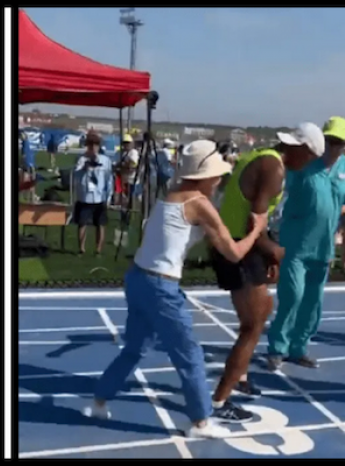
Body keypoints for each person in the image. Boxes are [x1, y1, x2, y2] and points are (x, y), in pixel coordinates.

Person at [84, 140, 267, 438]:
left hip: (137, 278)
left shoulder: (170, 194)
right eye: (216, 176)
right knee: (189, 356)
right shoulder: (199, 204)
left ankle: (99, 400)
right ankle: (200, 422)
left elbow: (180, 235)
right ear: (204, 176)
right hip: (160, 286)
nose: (219, 180)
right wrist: (258, 228)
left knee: (134, 349)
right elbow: (234, 253)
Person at [209, 122, 324, 422]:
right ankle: (221, 401)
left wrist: (268, 251)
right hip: (239, 246)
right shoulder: (274, 169)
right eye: (310, 157)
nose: (309, 164)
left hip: (232, 243)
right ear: (300, 148)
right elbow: (254, 225)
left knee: (254, 316)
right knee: (254, 325)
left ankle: (241, 376)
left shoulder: (261, 155)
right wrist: (276, 251)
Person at [267, 117, 345, 371]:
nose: (335, 147)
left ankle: (299, 348)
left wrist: (341, 230)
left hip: (324, 248)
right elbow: (279, 193)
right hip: (296, 244)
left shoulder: (343, 168)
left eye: (340, 142)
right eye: (331, 141)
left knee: (313, 302)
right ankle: (278, 347)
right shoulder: (303, 165)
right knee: (293, 296)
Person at [73, 131, 112, 256]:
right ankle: (81, 249)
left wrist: (109, 196)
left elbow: (108, 179)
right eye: (90, 144)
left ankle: (98, 250)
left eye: (95, 145)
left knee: (100, 224)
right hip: (85, 197)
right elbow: (75, 175)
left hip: (99, 197)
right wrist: (84, 168)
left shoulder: (105, 160)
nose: (93, 147)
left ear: (99, 146)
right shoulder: (81, 159)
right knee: (82, 223)